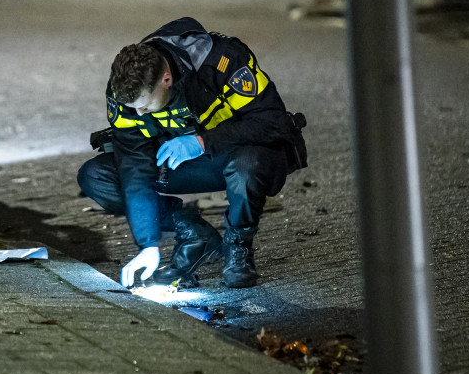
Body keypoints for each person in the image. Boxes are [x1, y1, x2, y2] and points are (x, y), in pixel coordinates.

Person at [78, 18, 306, 289]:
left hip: (240, 155)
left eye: (145, 106)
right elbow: (134, 167)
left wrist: (201, 141)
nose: (139, 113)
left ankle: (238, 249)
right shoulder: (126, 90)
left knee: (247, 165)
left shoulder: (221, 61)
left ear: (166, 79)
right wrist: (148, 243)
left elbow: (273, 122)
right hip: (182, 161)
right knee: (98, 175)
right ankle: (194, 233)